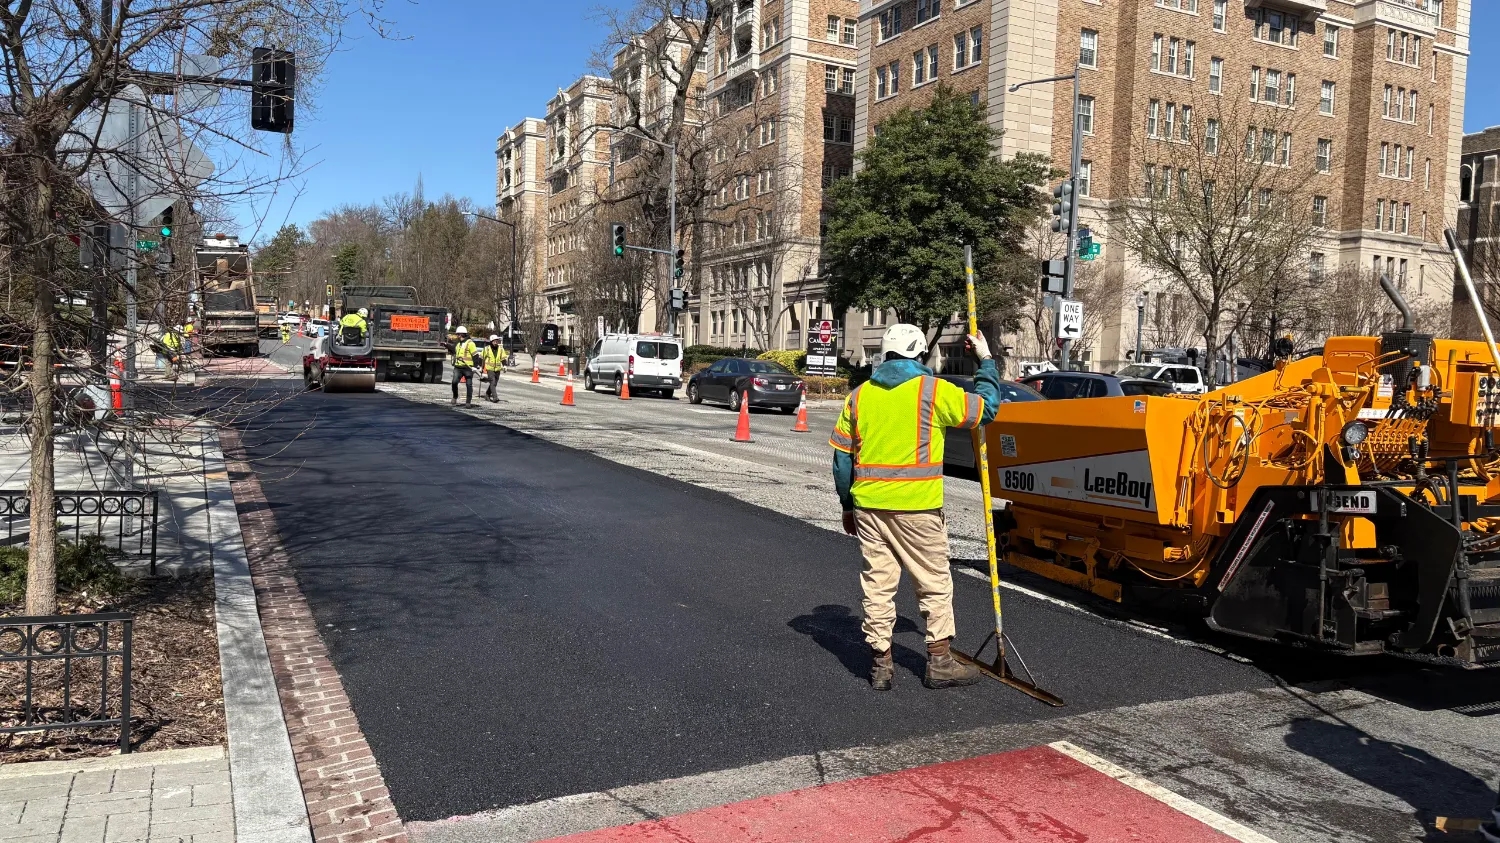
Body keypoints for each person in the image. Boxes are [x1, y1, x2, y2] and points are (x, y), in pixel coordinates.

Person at [829, 323, 1002, 691]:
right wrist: (985, 360)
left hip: (869, 508)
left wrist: (847, 505)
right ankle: (939, 662)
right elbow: (985, 410)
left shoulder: (859, 396)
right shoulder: (933, 391)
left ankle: (880, 665)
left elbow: (842, 460)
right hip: (918, 509)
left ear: (885, 355)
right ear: (920, 354)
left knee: (877, 584)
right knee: (933, 583)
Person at [450, 326, 479, 406]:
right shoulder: (458, 344)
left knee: (469, 384)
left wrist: (475, 366)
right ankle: (455, 397)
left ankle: (468, 402)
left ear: (461, 334)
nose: (457, 336)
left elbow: (475, 356)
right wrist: (446, 345)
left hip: (468, 368)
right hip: (458, 367)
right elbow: (453, 350)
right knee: (454, 382)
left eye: (458, 334)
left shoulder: (470, 343)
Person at [482, 334, 508, 403]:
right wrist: (480, 367)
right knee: (492, 382)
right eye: (494, 341)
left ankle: (487, 394)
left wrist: (505, 365)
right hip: (489, 369)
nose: (496, 342)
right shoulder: (486, 349)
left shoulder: (500, 349)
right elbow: (481, 358)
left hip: (497, 369)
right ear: (491, 341)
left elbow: (503, 358)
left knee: (494, 383)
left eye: (497, 341)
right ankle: (495, 397)